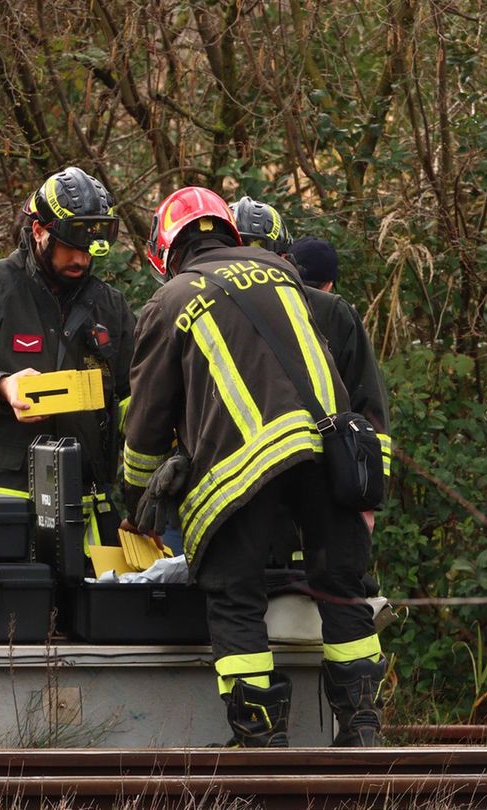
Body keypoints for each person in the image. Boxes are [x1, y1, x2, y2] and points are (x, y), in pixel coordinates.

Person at [124, 187, 385, 748]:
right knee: (342, 589)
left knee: (235, 596)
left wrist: (135, 495)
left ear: (166, 251)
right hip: (327, 453)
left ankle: (262, 741)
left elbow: (147, 421)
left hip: (243, 468)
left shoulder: (169, 301)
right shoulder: (282, 273)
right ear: (230, 232)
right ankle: (362, 730)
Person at [0, 166, 134, 546]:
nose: (81, 259)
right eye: (70, 246)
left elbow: (131, 395)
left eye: (89, 249)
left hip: (81, 507)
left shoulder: (110, 307)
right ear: (38, 230)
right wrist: (1, 387)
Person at [228, 199, 391, 538]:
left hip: (298, 488)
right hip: (257, 492)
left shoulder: (331, 312)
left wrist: (367, 497)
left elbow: (367, 404)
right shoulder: (201, 311)